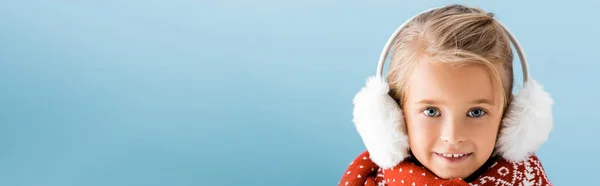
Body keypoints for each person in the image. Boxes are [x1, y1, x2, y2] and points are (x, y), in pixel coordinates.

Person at [339, 4, 553, 186]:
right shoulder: (367, 179)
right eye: (431, 111)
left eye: (476, 112)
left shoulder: (528, 178)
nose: (452, 136)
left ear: (510, 118)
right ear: (393, 115)